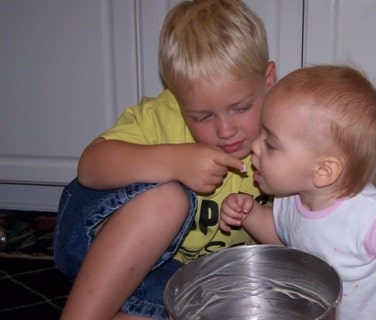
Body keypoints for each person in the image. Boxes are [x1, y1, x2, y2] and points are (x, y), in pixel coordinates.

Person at [53, 0, 276, 319]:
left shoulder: (285, 135)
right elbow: (89, 168)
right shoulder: (160, 117)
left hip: (180, 282)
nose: (225, 130)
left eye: (241, 108)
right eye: (201, 116)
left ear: (269, 81)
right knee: (168, 199)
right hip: (97, 251)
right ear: (176, 96)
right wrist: (173, 161)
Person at [220, 65, 376, 319]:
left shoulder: (372, 217)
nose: (255, 146)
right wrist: (251, 214)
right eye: (261, 133)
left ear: (323, 170)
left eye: (271, 143)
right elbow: (285, 235)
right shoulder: (290, 196)